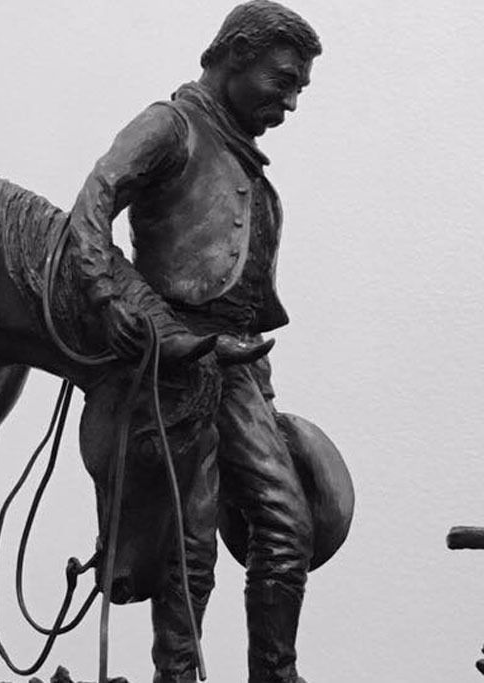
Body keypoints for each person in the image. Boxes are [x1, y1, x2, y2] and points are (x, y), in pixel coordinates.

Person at [67, 2, 321, 681]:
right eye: (284, 80)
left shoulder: (242, 157)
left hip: (240, 368)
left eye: (298, 88)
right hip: (175, 361)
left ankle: (275, 671)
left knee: (287, 523)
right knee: (191, 542)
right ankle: (176, 672)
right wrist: (113, 299)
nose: (291, 101)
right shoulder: (169, 126)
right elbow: (89, 209)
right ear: (236, 54)